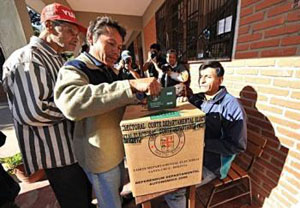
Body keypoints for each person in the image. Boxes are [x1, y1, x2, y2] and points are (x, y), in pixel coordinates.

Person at [54, 16, 161, 208]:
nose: (115, 52)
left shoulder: (109, 70)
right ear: (91, 38)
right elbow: (71, 103)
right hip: (100, 154)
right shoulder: (76, 68)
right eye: (110, 44)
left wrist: (139, 96)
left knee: (116, 192)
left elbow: (114, 100)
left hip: (117, 148)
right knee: (109, 202)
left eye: (119, 47)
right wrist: (130, 85)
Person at [2, 3, 94, 208]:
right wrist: (79, 108)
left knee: (85, 200)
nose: (75, 37)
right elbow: (32, 112)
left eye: (76, 32)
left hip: (73, 150)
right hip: (57, 156)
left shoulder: (56, 59)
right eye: (70, 31)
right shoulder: (28, 59)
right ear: (50, 26)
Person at [164, 61, 247, 208]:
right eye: (201, 76)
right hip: (191, 154)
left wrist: (203, 144)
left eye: (208, 77)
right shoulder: (197, 99)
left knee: (173, 190)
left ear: (220, 80)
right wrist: (183, 104)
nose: (202, 80)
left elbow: (237, 146)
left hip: (212, 164)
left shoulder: (232, 106)